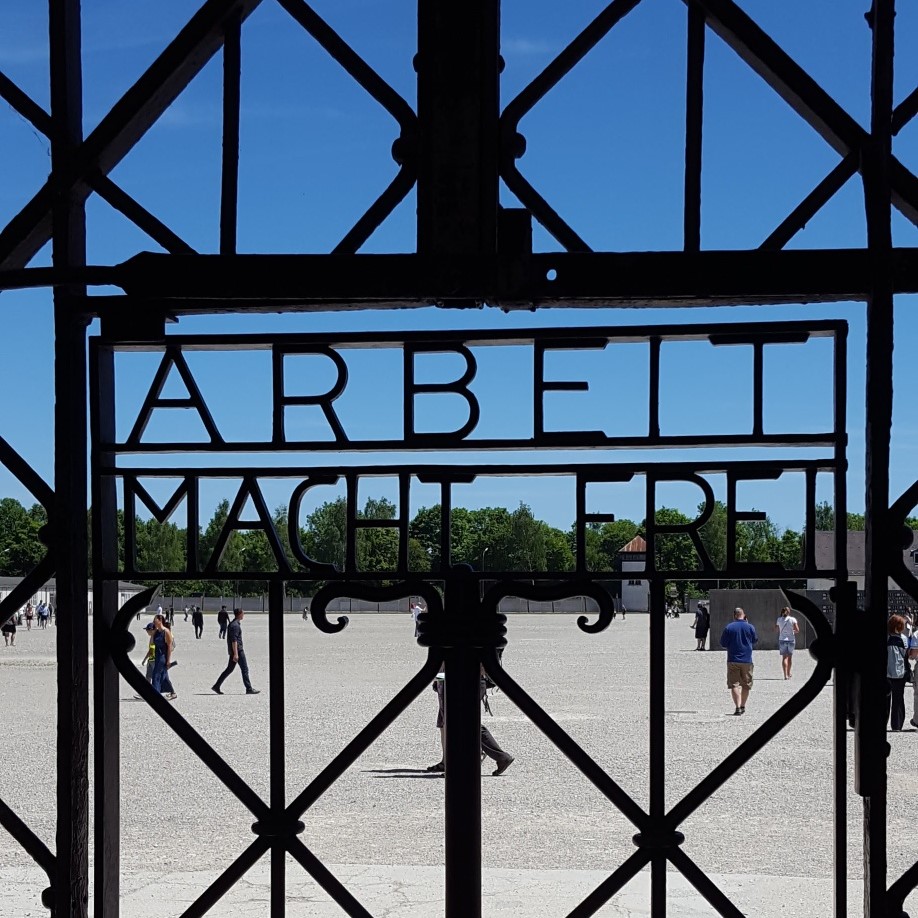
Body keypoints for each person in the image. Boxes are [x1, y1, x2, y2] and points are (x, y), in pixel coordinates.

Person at [426, 662, 514, 777]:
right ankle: (499, 757)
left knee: (462, 722)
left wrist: (437, 677)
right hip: (460, 683)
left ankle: (460, 765)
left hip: (465, 684)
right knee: (463, 723)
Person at [720, 607, 758, 715]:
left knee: (734, 684)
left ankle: (737, 707)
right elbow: (755, 640)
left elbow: (723, 643)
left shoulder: (729, 627)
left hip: (733, 659)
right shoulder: (750, 627)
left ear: (734, 615)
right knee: (746, 685)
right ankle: (743, 706)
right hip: (747, 660)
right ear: (744, 615)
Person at [212, 608, 259, 695]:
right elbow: (234, 640)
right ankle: (249, 688)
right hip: (238, 651)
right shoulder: (235, 626)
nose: (243, 615)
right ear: (240, 614)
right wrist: (236, 654)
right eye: (243, 613)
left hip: (235, 651)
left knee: (229, 669)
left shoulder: (233, 624)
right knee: (244, 669)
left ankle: (216, 686)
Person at [886, 614, 910, 732]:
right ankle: (897, 725)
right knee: (898, 699)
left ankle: (881, 723)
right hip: (900, 673)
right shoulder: (904, 639)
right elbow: (907, 654)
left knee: (885, 699)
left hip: (886, 672)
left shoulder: (886, 637)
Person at [150, 614, 177, 701]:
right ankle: (172, 692)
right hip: (157, 655)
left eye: (155, 620)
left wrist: (168, 660)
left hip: (162, 657)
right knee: (163, 675)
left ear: (160, 620)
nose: (154, 622)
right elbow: (152, 643)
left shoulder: (166, 632)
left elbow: (169, 647)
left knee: (156, 674)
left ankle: (155, 693)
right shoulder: (156, 632)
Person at [774, 606, 800, 679]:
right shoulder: (793, 619)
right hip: (791, 639)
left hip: (782, 639)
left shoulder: (779, 619)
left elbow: (776, 629)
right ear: (789, 612)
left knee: (784, 658)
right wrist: (792, 631)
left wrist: (781, 629)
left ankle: (785, 675)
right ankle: (788, 673)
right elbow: (797, 630)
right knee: (790, 657)